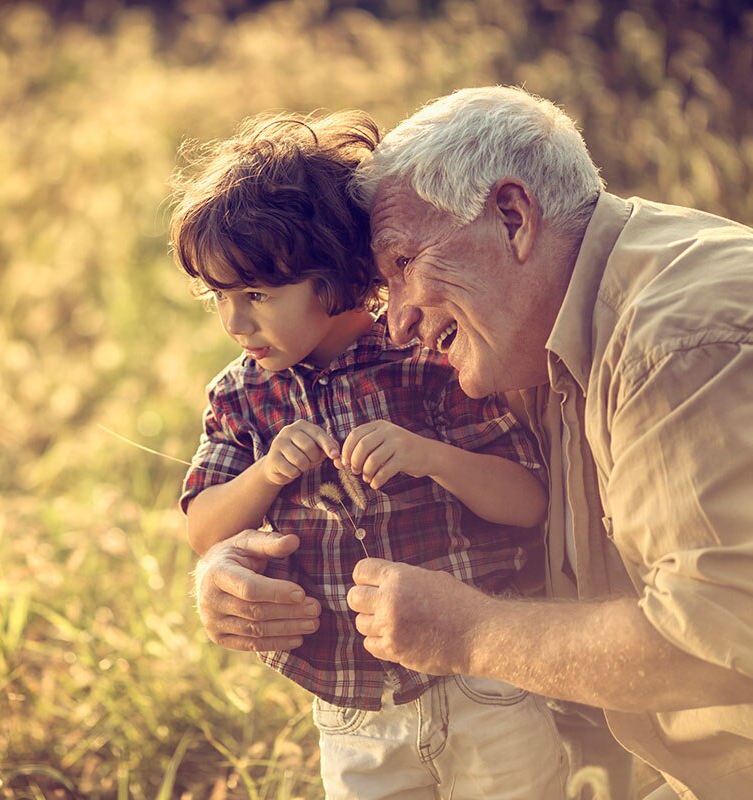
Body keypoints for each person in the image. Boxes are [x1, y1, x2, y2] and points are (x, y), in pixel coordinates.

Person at [193, 86, 753, 799]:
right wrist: (226, 565)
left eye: (400, 267)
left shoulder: (678, 345)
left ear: (513, 218)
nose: (391, 323)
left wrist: (469, 634)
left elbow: (718, 639)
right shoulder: (528, 336)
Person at [170, 110, 567, 799]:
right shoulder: (242, 397)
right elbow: (204, 531)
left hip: (482, 681)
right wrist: (268, 472)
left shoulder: (428, 357)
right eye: (219, 298)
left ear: (331, 277)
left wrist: (428, 455)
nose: (235, 323)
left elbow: (529, 502)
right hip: (351, 704)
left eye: (256, 295)